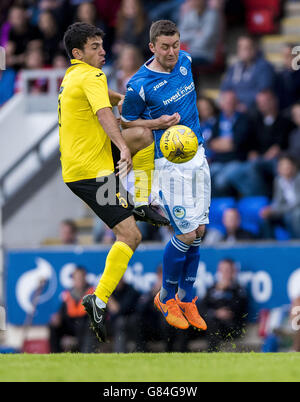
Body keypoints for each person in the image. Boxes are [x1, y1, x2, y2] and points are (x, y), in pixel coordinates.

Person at [58, 22, 167, 344]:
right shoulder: (91, 76)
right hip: (92, 171)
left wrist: (131, 101)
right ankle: (99, 298)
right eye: (94, 47)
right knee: (130, 235)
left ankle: (144, 201)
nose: (102, 51)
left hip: (84, 163)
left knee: (145, 136)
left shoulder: (73, 76)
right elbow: (106, 113)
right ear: (79, 53)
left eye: (102, 45)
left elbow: (108, 100)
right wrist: (122, 147)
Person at [121, 20, 208, 332]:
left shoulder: (186, 62)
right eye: (166, 47)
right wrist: (156, 123)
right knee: (185, 233)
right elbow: (125, 122)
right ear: (152, 47)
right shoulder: (138, 84)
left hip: (197, 157)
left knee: (198, 231)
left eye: (176, 45)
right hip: (167, 166)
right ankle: (166, 296)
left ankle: (186, 299)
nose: (172, 52)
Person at [199, 258, 248, 352]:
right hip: (210, 323)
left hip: (230, 327)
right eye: (222, 270)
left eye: (227, 270)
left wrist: (225, 290)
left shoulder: (239, 290)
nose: (224, 273)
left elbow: (237, 309)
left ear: (233, 272)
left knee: (212, 322)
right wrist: (215, 313)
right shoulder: (212, 289)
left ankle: (212, 354)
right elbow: (202, 308)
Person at [221, 35, 276, 111]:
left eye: (247, 47)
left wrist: (243, 103)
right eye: (240, 47)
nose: (243, 51)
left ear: (255, 49)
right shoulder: (233, 67)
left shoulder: (264, 67)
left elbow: (263, 91)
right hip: (234, 107)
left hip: (253, 109)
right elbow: (225, 88)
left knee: (263, 98)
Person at [49, 266, 97, 352]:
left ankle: (86, 354)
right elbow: (62, 312)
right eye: (76, 278)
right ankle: (55, 354)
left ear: (85, 278)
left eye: (81, 277)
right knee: (53, 326)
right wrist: (57, 318)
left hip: (86, 325)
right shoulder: (68, 294)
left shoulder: (92, 293)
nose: (79, 280)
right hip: (71, 325)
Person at [260, 153, 300, 239]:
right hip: (284, 211)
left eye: (287, 164)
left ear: (294, 166)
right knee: (266, 216)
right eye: (282, 165)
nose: (285, 167)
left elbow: (297, 202)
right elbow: (277, 201)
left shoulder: (298, 179)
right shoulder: (278, 180)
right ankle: (269, 244)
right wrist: (271, 209)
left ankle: (296, 242)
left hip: (296, 210)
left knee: (295, 215)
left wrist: (278, 210)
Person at [106, 277, 140, 353]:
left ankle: (119, 353)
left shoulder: (130, 290)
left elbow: (120, 310)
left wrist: (109, 298)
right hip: (109, 325)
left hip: (130, 325)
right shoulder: (110, 291)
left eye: (119, 279)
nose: (117, 282)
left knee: (120, 322)